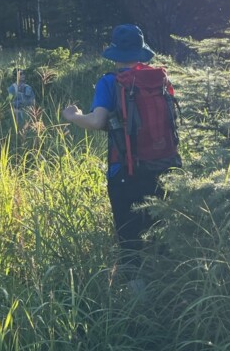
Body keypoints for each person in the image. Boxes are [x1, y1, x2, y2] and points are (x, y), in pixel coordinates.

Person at [62, 24, 179, 279]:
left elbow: (97, 121)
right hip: (166, 165)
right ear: (141, 51)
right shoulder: (161, 78)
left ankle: (138, 302)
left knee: (130, 240)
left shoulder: (109, 82)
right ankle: (170, 290)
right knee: (161, 233)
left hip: (126, 171)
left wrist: (73, 116)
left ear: (115, 54)